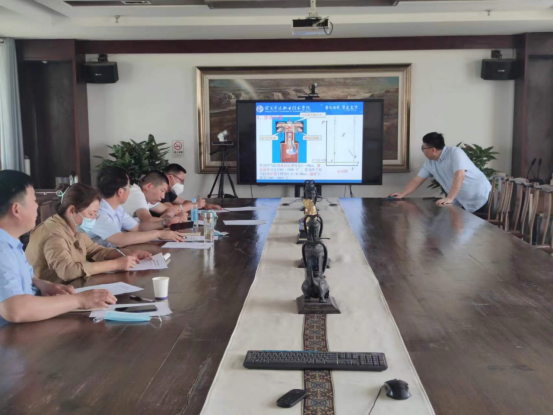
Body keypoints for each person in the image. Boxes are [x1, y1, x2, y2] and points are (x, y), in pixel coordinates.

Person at [0, 170, 116, 324]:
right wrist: (79, 300)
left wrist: (43, 284)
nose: (37, 206)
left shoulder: (11, 243)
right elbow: (16, 310)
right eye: (34, 201)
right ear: (16, 209)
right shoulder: (2, 250)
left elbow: (22, 278)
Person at [26, 183, 152, 285]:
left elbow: (96, 250)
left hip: (71, 287)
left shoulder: (75, 226)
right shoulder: (53, 233)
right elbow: (67, 271)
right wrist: (116, 264)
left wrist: (127, 253)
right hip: (46, 296)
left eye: (95, 215)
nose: (93, 219)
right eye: (91, 214)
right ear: (72, 210)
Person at [389, 132, 492, 213]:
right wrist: (402, 194)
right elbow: (417, 180)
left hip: (481, 198)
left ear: (433, 150)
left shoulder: (455, 153)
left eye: (423, 148)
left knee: (483, 232)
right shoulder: (430, 163)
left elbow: (459, 175)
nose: (423, 151)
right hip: (463, 201)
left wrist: (450, 198)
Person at [86, 166, 184, 247]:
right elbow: (121, 239)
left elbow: (138, 227)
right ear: (120, 192)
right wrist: (159, 234)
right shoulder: (98, 212)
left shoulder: (118, 208)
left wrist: (165, 223)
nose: (130, 190)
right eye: (129, 186)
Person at [123, 170, 187, 222]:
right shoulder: (137, 194)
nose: (163, 197)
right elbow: (148, 220)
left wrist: (169, 216)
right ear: (149, 186)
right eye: (162, 191)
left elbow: (168, 209)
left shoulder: (147, 198)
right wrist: (175, 219)